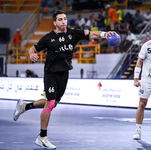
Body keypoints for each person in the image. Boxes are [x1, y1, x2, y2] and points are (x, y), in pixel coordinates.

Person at [13, 10, 116, 150]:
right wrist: (32, 54)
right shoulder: (48, 38)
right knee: (50, 104)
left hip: (64, 73)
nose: (63, 21)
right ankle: (42, 137)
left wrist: (105, 34)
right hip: (51, 73)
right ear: (54, 22)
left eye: (65, 19)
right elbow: (33, 48)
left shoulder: (74, 33)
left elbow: (93, 34)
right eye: (60, 19)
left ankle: (24, 106)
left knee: (52, 104)